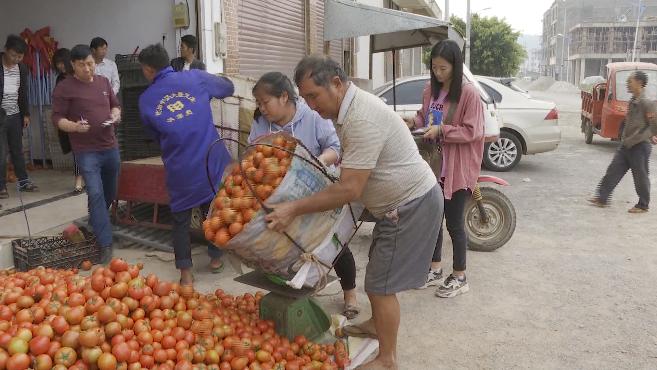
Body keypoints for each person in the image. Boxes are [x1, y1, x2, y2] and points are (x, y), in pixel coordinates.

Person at [265, 55, 442, 370]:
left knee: (380, 284)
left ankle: (387, 359)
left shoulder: (361, 117)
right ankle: (377, 326)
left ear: (336, 83)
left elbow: (350, 189)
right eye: (304, 97)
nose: (310, 104)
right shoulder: (348, 111)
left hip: (411, 203)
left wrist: (293, 208)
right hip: (396, 203)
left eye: (313, 96)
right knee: (379, 272)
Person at [248, 71, 360, 318]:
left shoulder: (311, 117)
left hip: (317, 193)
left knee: (331, 244)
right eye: (258, 103)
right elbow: (252, 155)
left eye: (265, 102)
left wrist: (314, 162)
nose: (261, 108)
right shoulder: (260, 123)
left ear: (284, 97)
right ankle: (299, 287)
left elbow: (335, 148)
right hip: (276, 196)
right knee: (291, 245)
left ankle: (350, 293)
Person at [137, 44, 234, 285]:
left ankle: (186, 275)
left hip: (180, 168)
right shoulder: (195, 77)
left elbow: (154, 134)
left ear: (148, 70)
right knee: (211, 212)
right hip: (210, 162)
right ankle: (215, 259)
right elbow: (228, 88)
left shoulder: (145, 100)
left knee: (179, 220)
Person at [418, 40, 485, 298]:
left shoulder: (468, 94)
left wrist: (442, 130)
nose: (438, 73)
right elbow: (425, 117)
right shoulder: (429, 91)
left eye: (443, 68)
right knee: (434, 219)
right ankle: (434, 270)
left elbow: (473, 131)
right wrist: (415, 120)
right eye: (434, 68)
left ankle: (460, 276)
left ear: (456, 67)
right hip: (432, 166)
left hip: (457, 168)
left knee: (454, 224)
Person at [52, 44, 122, 264]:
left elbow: (115, 105)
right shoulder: (64, 88)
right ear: (73, 65)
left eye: (90, 64)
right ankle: (105, 243)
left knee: (109, 192)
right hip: (86, 151)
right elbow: (57, 119)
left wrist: (115, 114)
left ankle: (95, 220)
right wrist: (74, 127)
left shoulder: (103, 82)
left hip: (109, 146)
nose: (87, 69)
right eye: (82, 65)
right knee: (96, 193)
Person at [589, 70, 657, 213]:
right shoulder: (632, 101)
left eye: (629, 81)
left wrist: (649, 135)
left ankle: (643, 205)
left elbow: (654, 125)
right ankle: (602, 198)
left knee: (640, 177)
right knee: (613, 171)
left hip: (640, 146)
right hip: (626, 145)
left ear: (639, 83)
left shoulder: (647, 103)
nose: (627, 84)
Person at [0, 34, 38, 200]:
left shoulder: (21, 68)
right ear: (5, 50)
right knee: (1, 153)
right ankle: (1, 186)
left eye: (20, 56)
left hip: (15, 114)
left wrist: (26, 113)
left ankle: (23, 181)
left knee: (18, 150)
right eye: (13, 55)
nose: (16, 59)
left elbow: (23, 93)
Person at [52, 48, 84, 193]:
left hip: (81, 115)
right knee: (76, 149)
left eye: (62, 62)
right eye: (57, 64)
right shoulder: (60, 79)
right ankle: (79, 178)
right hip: (67, 118)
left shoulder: (78, 75)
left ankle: (83, 177)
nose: (60, 66)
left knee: (83, 149)